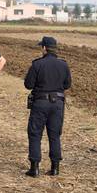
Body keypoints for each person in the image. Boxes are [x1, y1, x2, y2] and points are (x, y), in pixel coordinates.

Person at [24, 36, 71, 177]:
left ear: (44, 48)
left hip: (40, 103)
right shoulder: (64, 65)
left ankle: (34, 168)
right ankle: (55, 168)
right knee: (55, 135)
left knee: (35, 134)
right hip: (57, 103)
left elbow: (28, 85)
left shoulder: (37, 64)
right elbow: (67, 85)